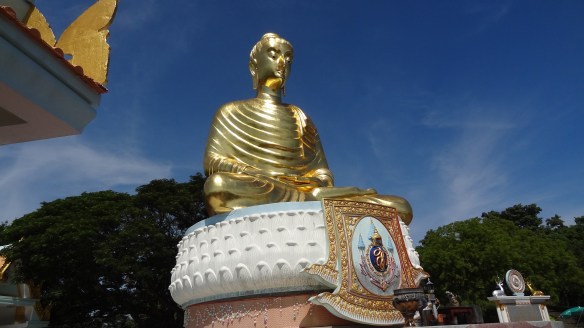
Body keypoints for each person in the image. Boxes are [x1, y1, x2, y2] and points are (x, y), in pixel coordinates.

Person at [203, 33, 413, 224]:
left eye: (288, 58)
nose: (282, 62)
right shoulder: (231, 111)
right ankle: (311, 201)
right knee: (218, 186)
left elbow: (322, 170)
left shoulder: (300, 116)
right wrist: (260, 175)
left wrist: (317, 181)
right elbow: (213, 161)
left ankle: (313, 200)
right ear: (253, 66)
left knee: (399, 207)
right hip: (264, 186)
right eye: (274, 54)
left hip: (308, 190)